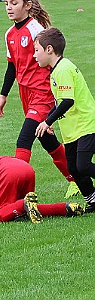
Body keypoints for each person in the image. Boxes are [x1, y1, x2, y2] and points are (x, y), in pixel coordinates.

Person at [0, 0, 79, 198]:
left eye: (14, 3)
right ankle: (76, 178)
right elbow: (12, 66)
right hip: (25, 94)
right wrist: (3, 96)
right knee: (46, 138)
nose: (9, 8)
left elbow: (51, 62)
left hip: (41, 93)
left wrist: (58, 96)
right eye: (6, 4)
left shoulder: (36, 30)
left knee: (24, 141)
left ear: (27, 5)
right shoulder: (9, 34)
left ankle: (14, 191)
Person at [34, 27, 95, 213]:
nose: (34, 55)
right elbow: (60, 102)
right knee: (73, 169)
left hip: (86, 124)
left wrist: (48, 122)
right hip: (72, 129)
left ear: (49, 49)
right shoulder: (56, 70)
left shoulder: (63, 69)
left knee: (82, 165)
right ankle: (93, 201)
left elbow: (68, 101)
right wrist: (48, 120)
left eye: (37, 50)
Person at [0, 156, 84, 223]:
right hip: (25, 168)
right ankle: (65, 208)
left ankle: (23, 203)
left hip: (6, 172)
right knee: (26, 210)